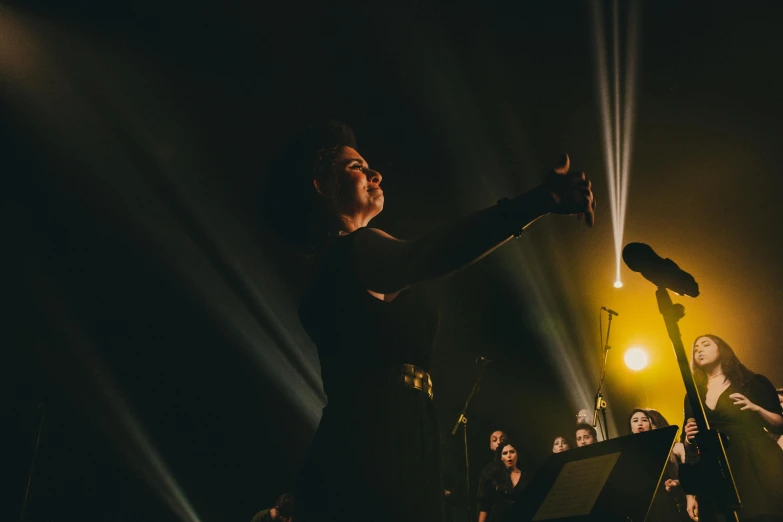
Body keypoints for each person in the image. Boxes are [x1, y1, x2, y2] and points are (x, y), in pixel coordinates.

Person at [287, 122, 596, 522]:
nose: (375, 174)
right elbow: (431, 255)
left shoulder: (348, 259)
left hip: (394, 429)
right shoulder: (350, 252)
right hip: (375, 438)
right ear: (322, 186)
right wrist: (538, 201)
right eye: (356, 167)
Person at [682, 334, 783, 522]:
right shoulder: (693, 395)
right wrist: (691, 494)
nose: (699, 350)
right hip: (716, 469)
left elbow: (779, 425)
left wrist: (756, 409)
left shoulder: (750, 382)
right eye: (695, 349)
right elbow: (688, 448)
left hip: (755, 462)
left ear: (722, 349)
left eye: (705, 345)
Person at [627, 409, 689, 521]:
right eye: (635, 421)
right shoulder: (631, 454)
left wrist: (675, 483)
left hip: (672, 503)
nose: (640, 424)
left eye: (645, 420)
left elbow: (689, 473)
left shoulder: (670, 448)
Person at [478, 440, 528, 522]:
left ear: (517, 454)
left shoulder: (526, 477)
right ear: (501, 457)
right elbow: (485, 506)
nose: (509, 456)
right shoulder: (494, 477)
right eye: (505, 453)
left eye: (512, 452)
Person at [476, 430, 508, 518]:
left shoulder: (518, 465)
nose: (499, 442)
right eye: (495, 440)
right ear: (490, 446)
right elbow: (484, 501)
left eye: (502, 439)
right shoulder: (487, 470)